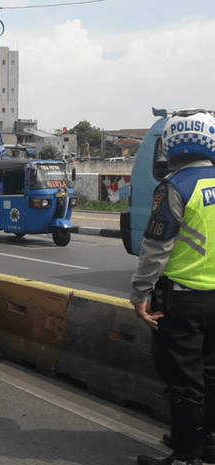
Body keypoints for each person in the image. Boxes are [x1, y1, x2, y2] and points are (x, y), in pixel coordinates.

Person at [131, 110, 215, 465]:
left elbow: (156, 248)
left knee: (183, 379)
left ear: (171, 145)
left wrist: (139, 293)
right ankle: (205, 443)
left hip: (181, 298)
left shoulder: (176, 186)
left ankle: (184, 456)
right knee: (210, 372)